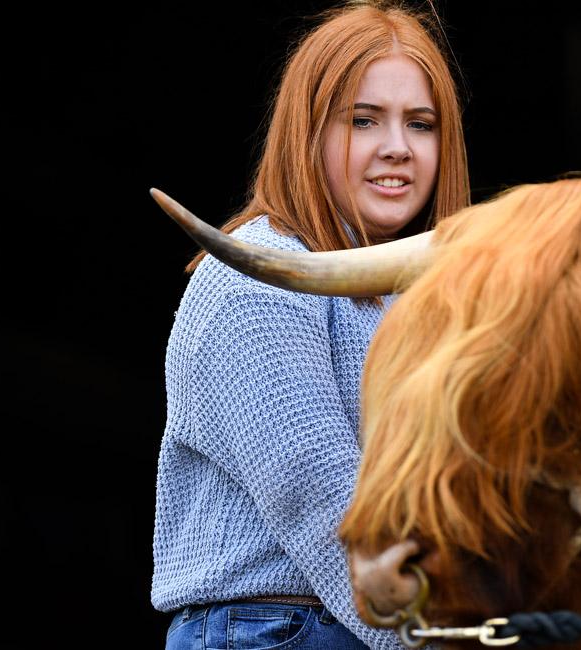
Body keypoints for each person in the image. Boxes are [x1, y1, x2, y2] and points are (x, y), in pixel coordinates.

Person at [151, 3, 469, 648]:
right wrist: (428, 638)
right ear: (308, 129)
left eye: (421, 123)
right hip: (274, 627)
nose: (397, 148)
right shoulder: (254, 274)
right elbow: (316, 490)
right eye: (362, 120)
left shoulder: (413, 296)